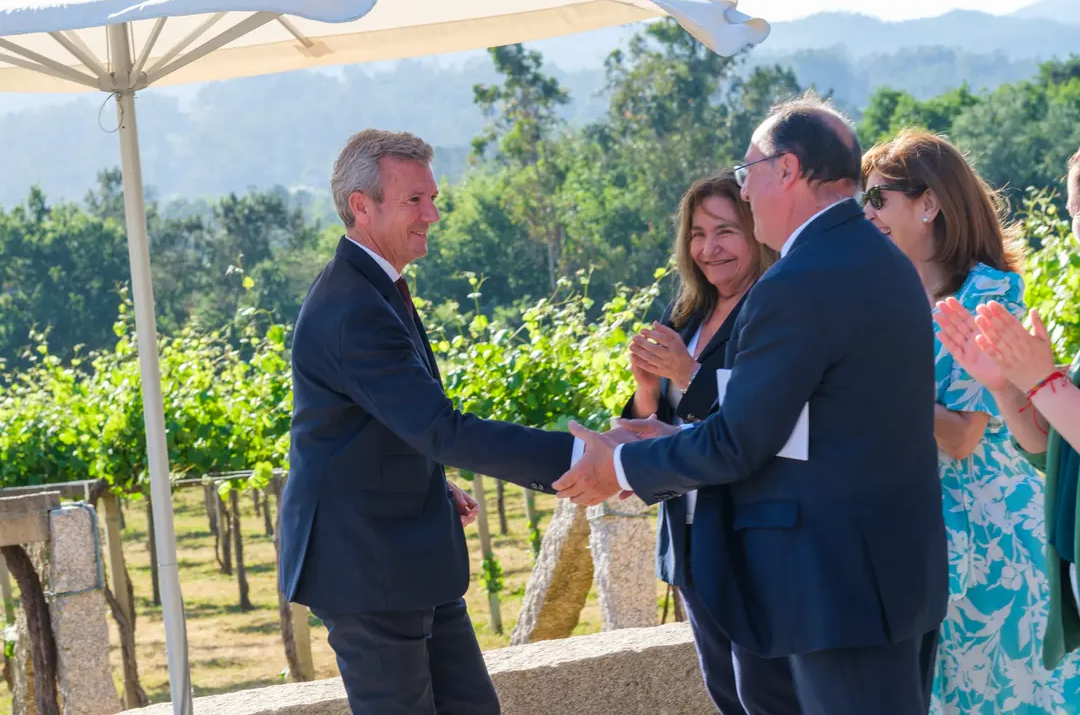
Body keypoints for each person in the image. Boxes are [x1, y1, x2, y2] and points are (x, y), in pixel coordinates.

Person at [556, 93, 948, 715]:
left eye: (748, 174)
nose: (745, 191)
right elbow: (823, 418)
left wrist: (621, 468)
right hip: (895, 573)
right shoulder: (883, 260)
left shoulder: (797, 282)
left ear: (787, 170)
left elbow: (742, 441)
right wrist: (665, 439)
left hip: (835, 587)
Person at [278, 129, 607, 714]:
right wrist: (582, 461)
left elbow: (376, 424)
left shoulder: (373, 288)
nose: (432, 213)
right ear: (362, 205)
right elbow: (440, 427)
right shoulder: (354, 306)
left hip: (408, 548)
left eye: (433, 197)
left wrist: (427, 476)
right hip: (368, 564)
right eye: (414, 200)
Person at [861, 129, 1080, 713]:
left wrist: (873, 384)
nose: (867, 212)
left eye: (878, 197)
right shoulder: (881, 300)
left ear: (928, 204)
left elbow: (961, 437)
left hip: (988, 537)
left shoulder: (990, 296)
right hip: (914, 531)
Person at [621, 170, 796, 713]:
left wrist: (689, 372)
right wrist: (647, 390)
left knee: (765, 694)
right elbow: (655, 420)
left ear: (755, 231)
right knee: (725, 692)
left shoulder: (774, 309)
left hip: (749, 537)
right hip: (688, 537)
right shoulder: (684, 315)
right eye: (697, 234)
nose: (708, 248)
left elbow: (768, 418)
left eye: (725, 231)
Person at [933, 144, 1080, 678]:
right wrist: (1004, 387)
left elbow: (963, 437)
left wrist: (1042, 380)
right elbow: (1048, 450)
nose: (1077, 221)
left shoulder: (991, 290)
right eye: (1073, 209)